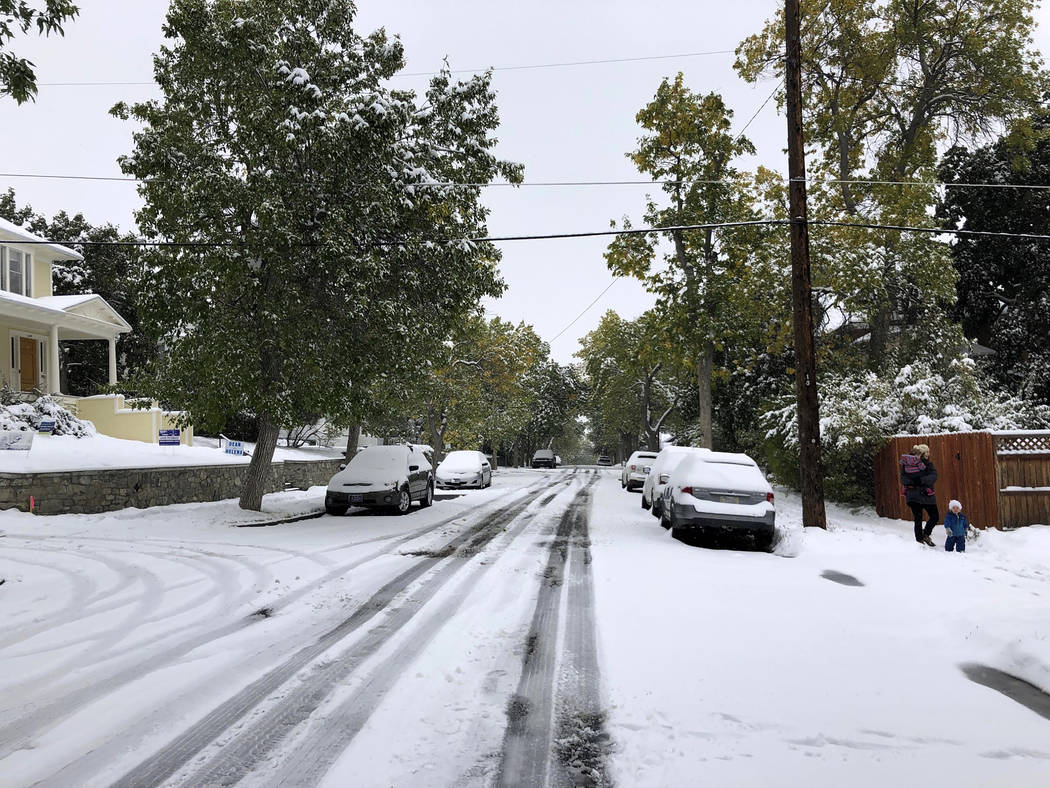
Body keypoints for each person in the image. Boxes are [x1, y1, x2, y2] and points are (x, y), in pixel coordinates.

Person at [900, 443, 938, 546]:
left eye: (928, 452)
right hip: (913, 495)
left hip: (927, 494)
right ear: (920, 454)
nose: (928, 454)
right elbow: (903, 478)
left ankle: (925, 534)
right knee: (918, 517)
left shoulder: (928, 465)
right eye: (926, 452)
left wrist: (921, 480)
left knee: (935, 516)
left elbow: (934, 476)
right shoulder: (908, 465)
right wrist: (913, 481)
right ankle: (919, 540)